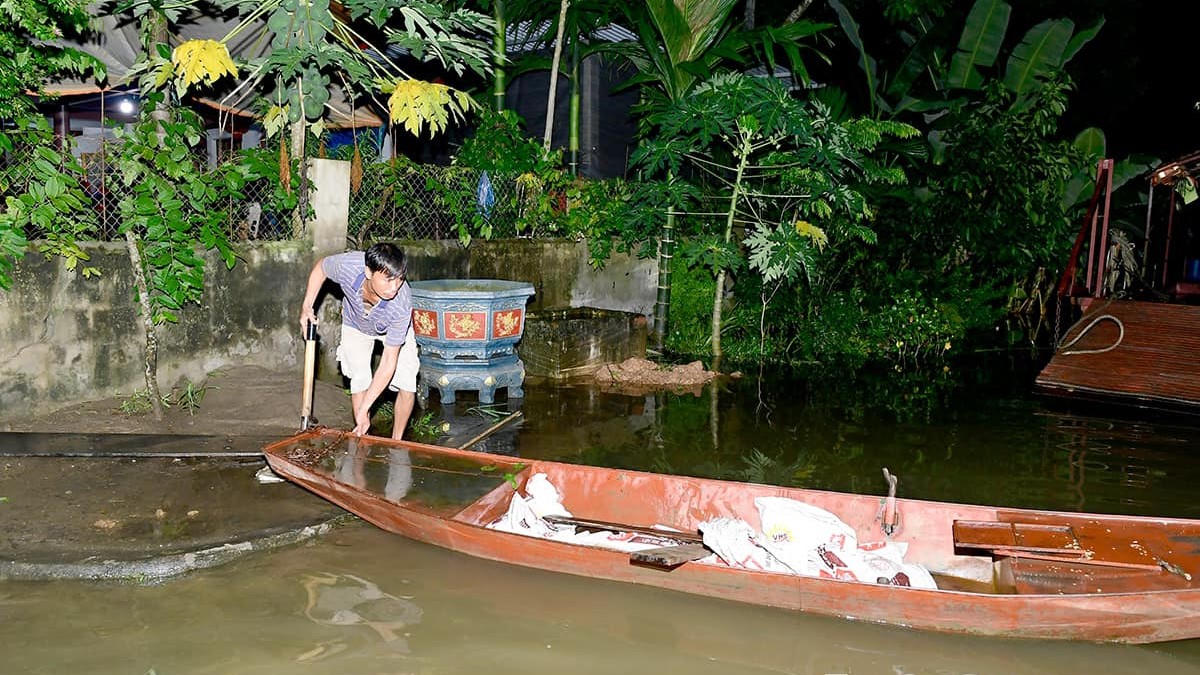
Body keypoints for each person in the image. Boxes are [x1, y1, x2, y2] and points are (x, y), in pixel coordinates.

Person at [299, 243, 418, 439]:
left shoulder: (401, 302)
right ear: (368, 272)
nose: (395, 287)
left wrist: (366, 405)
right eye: (388, 280)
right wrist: (307, 306)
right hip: (356, 322)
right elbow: (321, 267)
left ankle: (397, 442)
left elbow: (389, 362)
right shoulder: (349, 266)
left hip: (392, 327)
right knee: (359, 376)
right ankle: (363, 434)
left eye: (400, 279)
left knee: (407, 382)